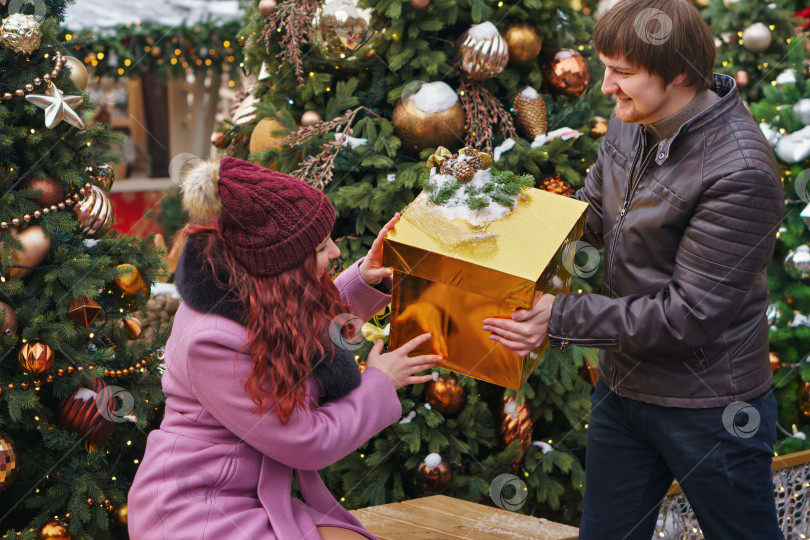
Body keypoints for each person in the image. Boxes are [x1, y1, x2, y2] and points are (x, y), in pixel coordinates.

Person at [483, 1, 785, 538]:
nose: (605, 87)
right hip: (623, 390)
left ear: (680, 75)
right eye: (605, 67)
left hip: (710, 406)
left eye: (622, 73)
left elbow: (688, 315)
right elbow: (591, 216)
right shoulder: (631, 122)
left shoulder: (741, 171)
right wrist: (493, 233)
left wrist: (560, 316)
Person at [128, 157, 441, 540]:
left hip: (250, 497)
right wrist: (381, 382)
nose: (336, 254)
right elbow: (306, 441)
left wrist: (362, 282)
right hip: (195, 510)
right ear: (286, 266)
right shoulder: (211, 341)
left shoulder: (249, 291)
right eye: (322, 247)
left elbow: (290, 326)